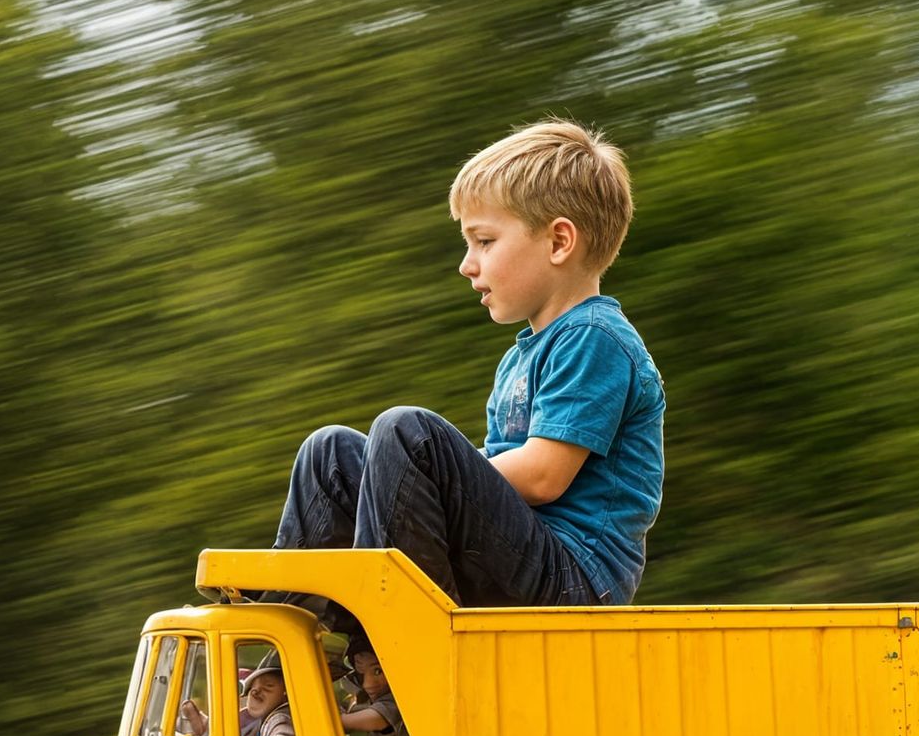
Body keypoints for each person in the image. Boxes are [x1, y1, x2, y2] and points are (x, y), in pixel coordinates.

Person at [271, 119, 665, 607]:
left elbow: (543, 476)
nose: (467, 263)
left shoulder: (594, 339)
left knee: (406, 433)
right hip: (518, 559)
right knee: (329, 454)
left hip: (573, 581)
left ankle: (396, 641)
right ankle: (288, 631)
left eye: (484, 241)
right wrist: (426, 476)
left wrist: (431, 470)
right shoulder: (520, 358)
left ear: (560, 242)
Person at [338, 635, 402, 736]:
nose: (367, 684)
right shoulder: (373, 702)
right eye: (361, 672)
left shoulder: (396, 701)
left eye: (378, 671)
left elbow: (375, 720)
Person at [239, 656, 295, 736]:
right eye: (252, 686)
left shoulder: (281, 720)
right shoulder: (257, 723)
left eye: (268, 686)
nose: (254, 691)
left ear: (287, 693)